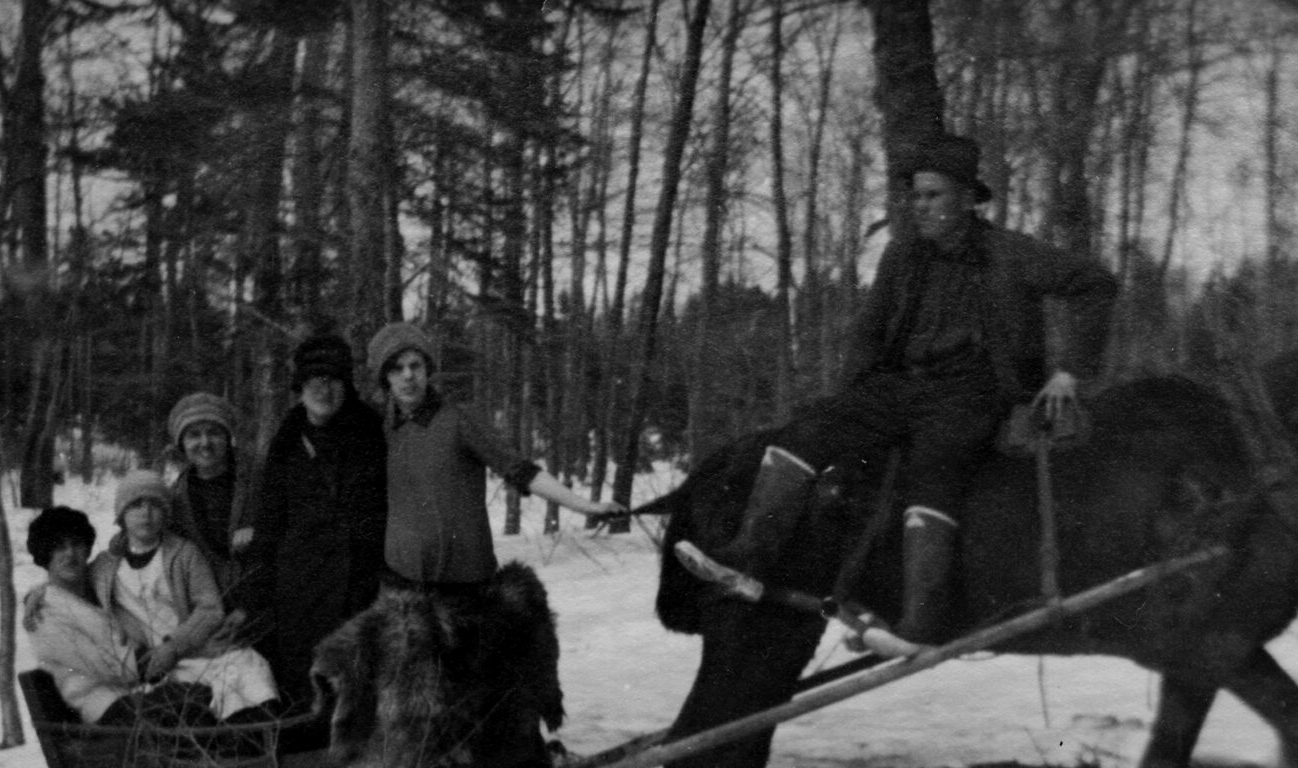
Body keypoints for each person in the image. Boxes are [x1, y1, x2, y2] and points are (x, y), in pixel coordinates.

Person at [678, 132, 1117, 657]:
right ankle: (748, 559)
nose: (920, 206)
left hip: (974, 393)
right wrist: (850, 400)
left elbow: (1095, 282)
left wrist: (1071, 369)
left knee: (934, 470)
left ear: (966, 198)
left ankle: (921, 625)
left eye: (933, 195)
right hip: (900, 385)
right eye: (916, 196)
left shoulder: (1012, 253)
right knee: (809, 430)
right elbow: (870, 331)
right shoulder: (903, 256)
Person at [366, 321, 626, 593]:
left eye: (415, 365)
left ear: (427, 369)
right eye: (396, 368)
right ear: (385, 377)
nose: (408, 375)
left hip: (464, 585)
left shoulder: (458, 420)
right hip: (403, 585)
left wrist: (586, 506)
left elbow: (522, 471)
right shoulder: (381, 430)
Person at [245, 333, 388, 706]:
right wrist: (258, 589)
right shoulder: (287, 440)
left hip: (360, 586)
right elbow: (270, 519)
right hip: (300, 587)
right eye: (314, 380)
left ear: (346, 384)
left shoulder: (372, 432)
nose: (324, 389)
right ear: (300, 385)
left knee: (357, 688)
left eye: (333, 380)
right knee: (303, 685)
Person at [89, 470, 282, 723]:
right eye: (136, 505)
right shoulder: (105, 567)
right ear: (121, 514)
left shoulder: (183, 554)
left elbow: (210, 609)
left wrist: (174, 646)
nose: (146, 513)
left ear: (166, 514)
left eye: (155, 505)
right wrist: (42, 593)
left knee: (249, 670)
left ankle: (251, 738)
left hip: (194, 650)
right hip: (150, 665)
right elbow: (72, 587)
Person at [22, 505, 218, 727]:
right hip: (102, 706)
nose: (70, 554)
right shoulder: (43, 613)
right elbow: (107, 665)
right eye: (58, 547)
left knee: (211, 693)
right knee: (194, 701)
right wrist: (162, 658)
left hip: (139, 693)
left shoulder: (96, 583)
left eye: (76, 544)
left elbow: (124, 548)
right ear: (45, 554)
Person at [164, 391, 254, 604]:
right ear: (182, 444)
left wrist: (259, 532)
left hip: (268, 600)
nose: (205, 442)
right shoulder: (176, 498)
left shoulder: (259, 478)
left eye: (214, 433)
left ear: (227, 438)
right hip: (211, 605)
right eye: (194, 435)